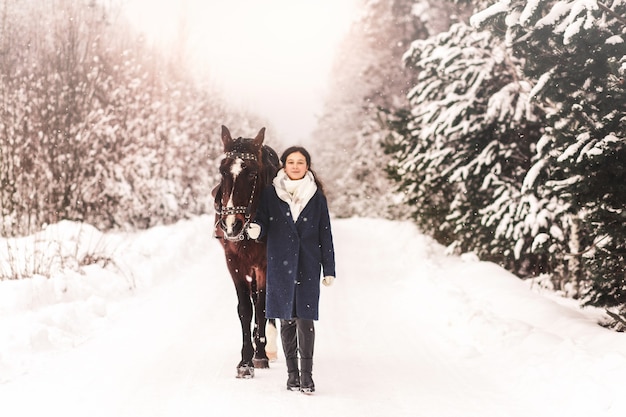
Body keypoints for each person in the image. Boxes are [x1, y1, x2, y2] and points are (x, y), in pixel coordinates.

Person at [246, 146, 336, 394]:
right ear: (283, 165)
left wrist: (329, 268)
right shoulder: (270, 194)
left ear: (308, 166)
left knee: (305, 321)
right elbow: (262, 220)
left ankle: (307, 377)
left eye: (301, 162)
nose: (296, 166)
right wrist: (257, 229)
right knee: (286, 320)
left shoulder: (316, 197)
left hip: (308, 264)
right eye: (291, 162)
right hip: (280, 264)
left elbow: (325, 233)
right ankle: (292, 376)